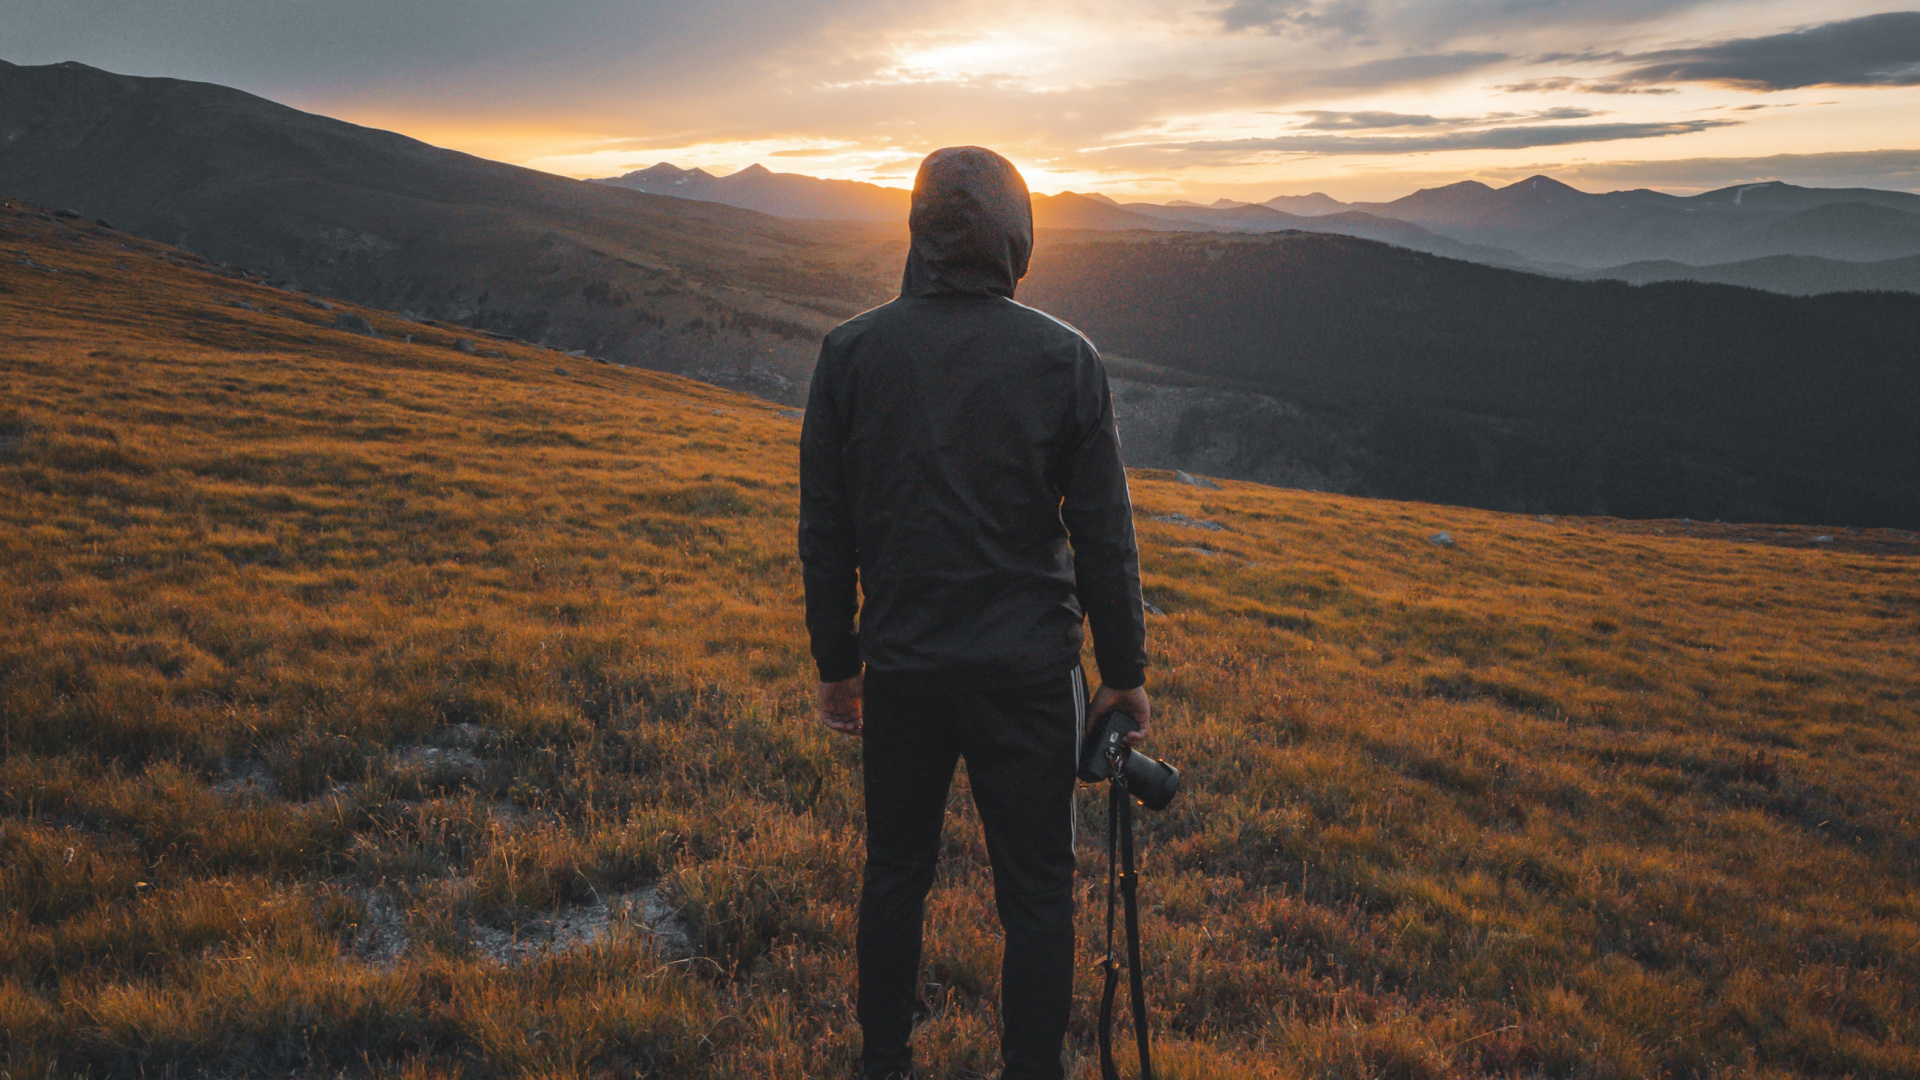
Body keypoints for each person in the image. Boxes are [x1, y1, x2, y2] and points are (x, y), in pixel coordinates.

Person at [798, 145, 1150, 1080]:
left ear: (918, 231)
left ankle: (885, 1063)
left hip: (905, 670)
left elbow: (826, 528)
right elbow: (1105, 536)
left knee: (895, 873)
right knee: (1037, 895)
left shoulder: (850, 354)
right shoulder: (1064, 358)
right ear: (1016, 237)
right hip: (1030, 678)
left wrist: (837, 663)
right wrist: (1124, 676)